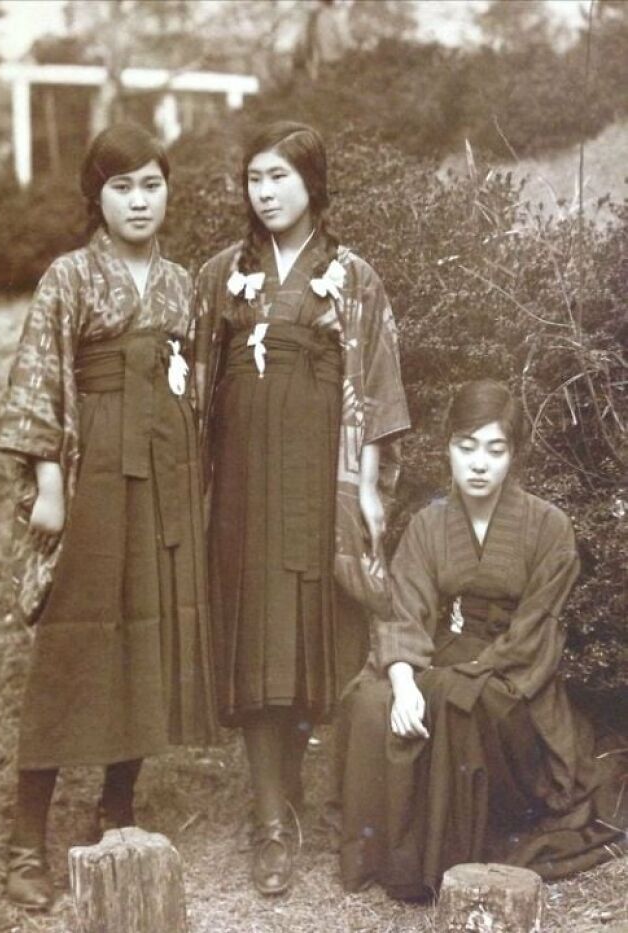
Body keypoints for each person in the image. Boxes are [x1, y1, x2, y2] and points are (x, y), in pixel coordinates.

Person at [0, 123, 217, 910]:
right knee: (71, 649)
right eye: (121, 187)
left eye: (151, 185)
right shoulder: (69, 276)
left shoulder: (181, 283)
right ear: (96, 196)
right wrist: (50, 483)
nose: (137, 201)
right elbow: (40, 376)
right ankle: (26, 837)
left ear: (168, 192)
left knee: (146, 640)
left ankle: (116, 809)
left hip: (160, 481)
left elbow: (193, 390)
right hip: (90, 477)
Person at [193, 121, 410, 895]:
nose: (266, 190)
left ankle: (297, 794)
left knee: (316, 631)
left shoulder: (352, 277)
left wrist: (371, 487)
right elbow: (192, 389)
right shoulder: (222, 274)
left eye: (280, 175)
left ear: (313, 183)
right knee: (258, 635)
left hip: (323, 477)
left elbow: (378, 386)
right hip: (246, 482)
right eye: (254, 176)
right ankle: (268, 819)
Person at [337, 379, 625, 898]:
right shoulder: (429, 525)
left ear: (512, 455)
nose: (478, 464)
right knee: (369, 699)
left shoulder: (549, 526)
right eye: (465, 447)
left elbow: (537, 630)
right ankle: (385, 856)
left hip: (515, 674)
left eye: (495, 450)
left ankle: (439, 860)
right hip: (447, 648)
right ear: (448, 446)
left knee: (456, 700)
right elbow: (404, 609)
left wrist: (452, 680)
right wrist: (403, 679)